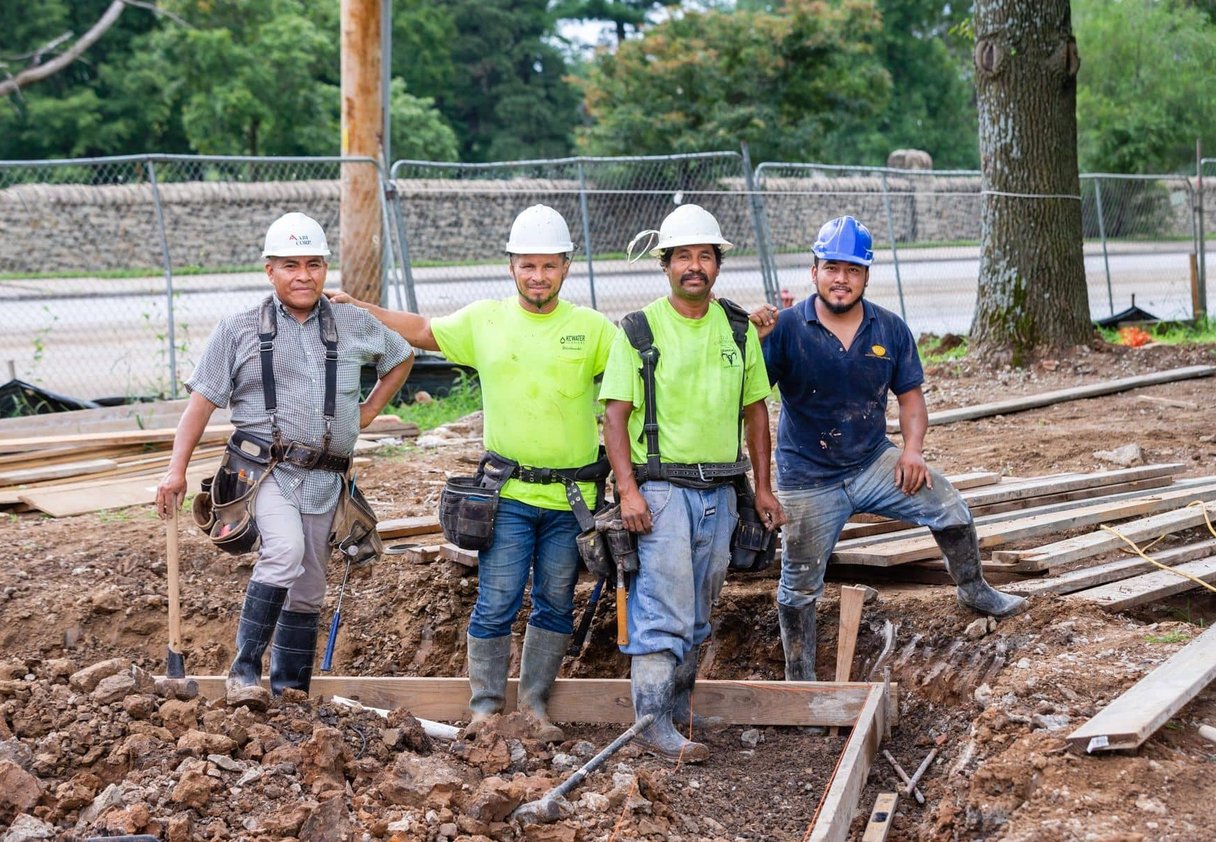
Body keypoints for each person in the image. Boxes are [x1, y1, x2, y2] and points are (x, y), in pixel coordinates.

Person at [330, 205, 616, 742]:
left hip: (571, 500)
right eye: (527, 265)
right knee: (497, 601)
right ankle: (485, 711)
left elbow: (636, 373)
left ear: (566, 267)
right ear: (511, 267)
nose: (538, 276)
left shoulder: (592, 330)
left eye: (548, 265)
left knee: (556, 602)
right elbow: (422, 330)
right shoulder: (486, 321)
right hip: (506, 497)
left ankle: (533, 709)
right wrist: (359, 307)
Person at [749, 215, 1027, 682]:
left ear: (866, 276)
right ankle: (801, 678)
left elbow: (911, 399)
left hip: (872, 461)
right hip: (808, 478)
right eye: (832, 268)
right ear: (814, 272)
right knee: (798, 586)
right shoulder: (785, 329)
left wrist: (912, 449)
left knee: (949, 506)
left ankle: (974, 590)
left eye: (852, 270)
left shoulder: (890, 329)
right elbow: (748, 399)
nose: (841, 279)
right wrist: (752, 342)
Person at [155, 212, 413, 709]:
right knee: (284, 552)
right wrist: (175, 470)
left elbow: (401, 356)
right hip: (264, 473)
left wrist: (368, 411)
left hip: (326, 477)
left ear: (325, 269)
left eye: (314, 264)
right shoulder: (239, 329)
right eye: (290, 265)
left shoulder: (353, 323)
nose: (303, 275)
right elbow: (200, 404)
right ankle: (243, 672)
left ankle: (291, 694)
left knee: (309, 587)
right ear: (269, 271)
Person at [600, 204, 784, 761]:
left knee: (699, 611)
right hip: (661, 492)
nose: (695, 266)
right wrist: (628, 491)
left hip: (721, 492)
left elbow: (756, 412)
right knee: (662, 610)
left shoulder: (736, 329)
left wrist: (762, 488)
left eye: (705, 256)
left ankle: (677, 712)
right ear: (666, 265)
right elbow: (614, 417)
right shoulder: (639, 330)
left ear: (718, 264)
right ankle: (652, 724)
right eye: (683, 256)